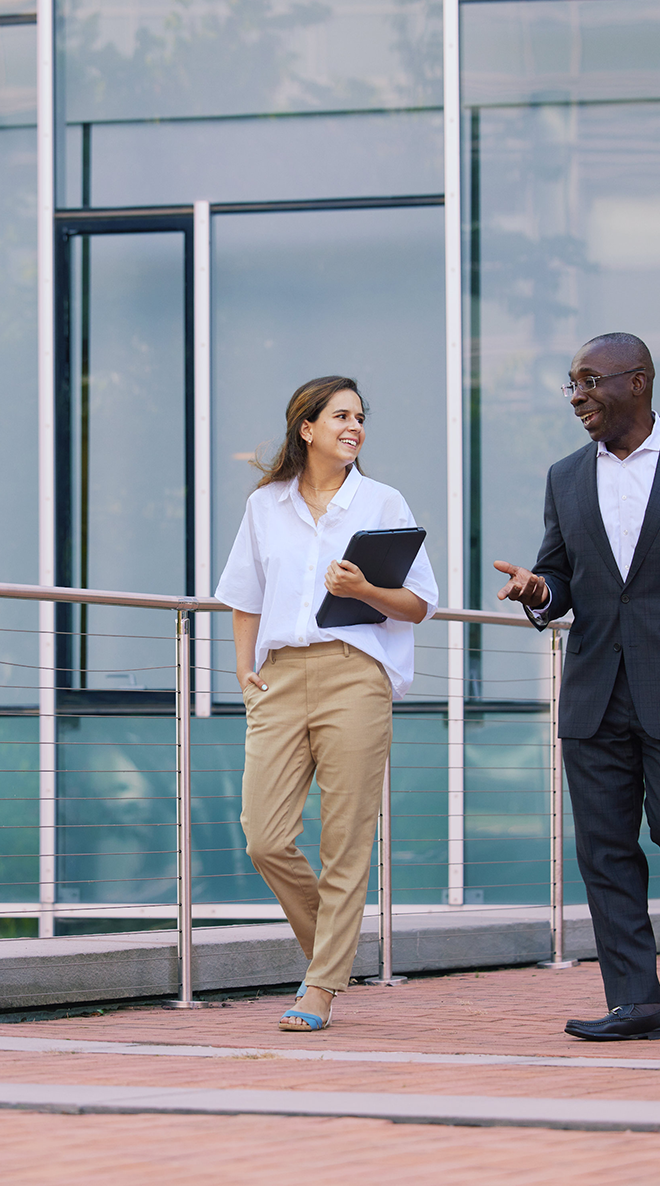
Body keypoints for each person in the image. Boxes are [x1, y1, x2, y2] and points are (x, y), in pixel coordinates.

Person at [493, 333, 660, 1041]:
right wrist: (538, 591)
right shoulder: (565, 476)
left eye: (590, 381)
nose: (577, 396)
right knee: (605, 850)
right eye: (571, 384)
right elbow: (561, 578)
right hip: (594, 691)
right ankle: (637, 1000)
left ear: (637, 381)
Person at [216, 374, 437, 1033]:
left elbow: (418, 605)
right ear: (306, 428)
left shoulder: (383, 502)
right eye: (341, 416)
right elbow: (245, 596)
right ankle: (332, 953)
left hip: (355, 676)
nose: (354, 427)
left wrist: (365, 589)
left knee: (346, 839)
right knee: (263, 836)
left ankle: (320, 987)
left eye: (360, 417)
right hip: (280, 678)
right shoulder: (266, 505)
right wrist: (244, 671)